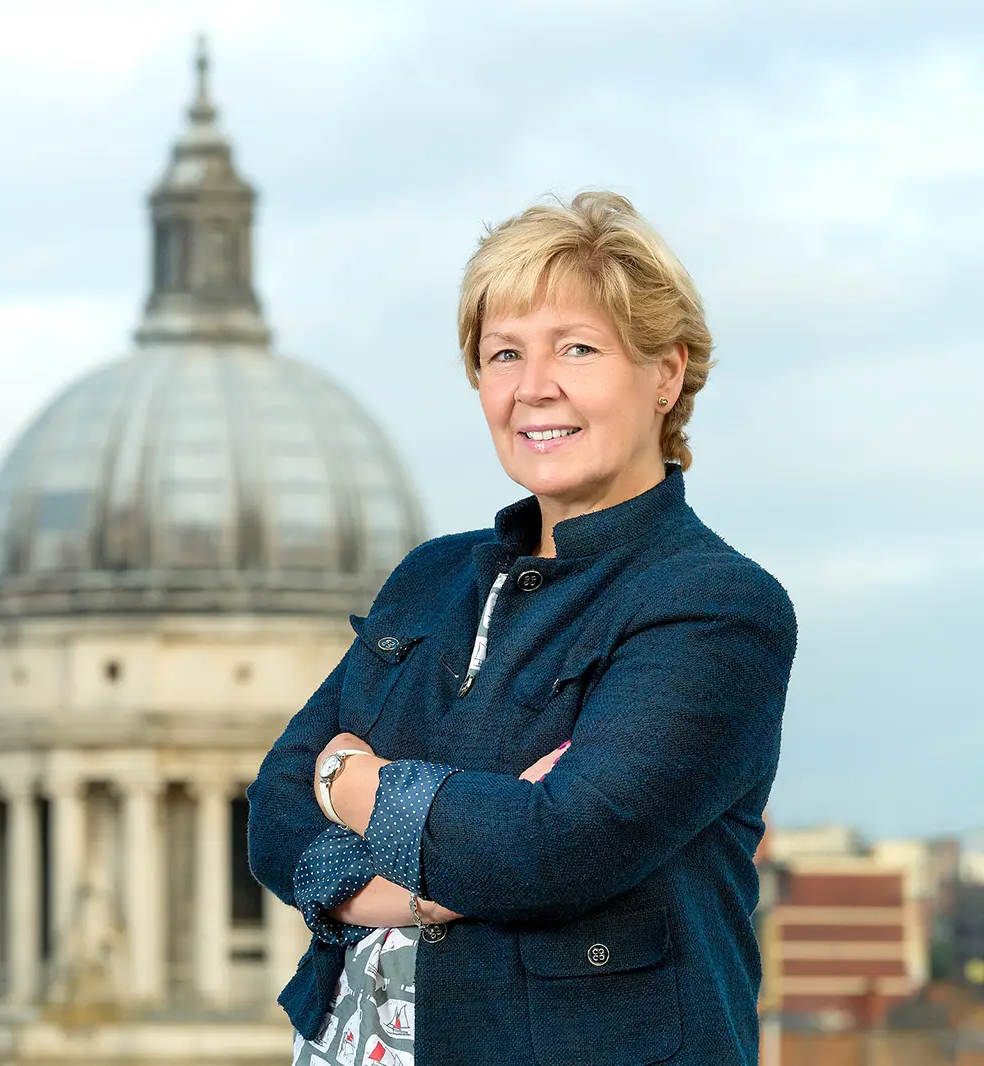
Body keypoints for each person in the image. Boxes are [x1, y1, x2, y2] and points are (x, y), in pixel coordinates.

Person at [246, 190, 797, 1066]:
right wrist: (426, 886)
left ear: (666, 373)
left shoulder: (716, 607)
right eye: (503, 353)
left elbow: (558, 848)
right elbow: (274, 810)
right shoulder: (430, 576)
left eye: (577, 348)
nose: (534, 386)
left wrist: (351, 783)